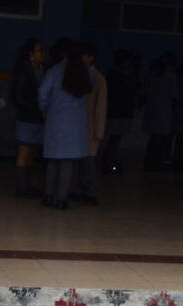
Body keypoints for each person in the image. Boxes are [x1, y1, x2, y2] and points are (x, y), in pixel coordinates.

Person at [39, 43, 92, 210]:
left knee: (53, 160)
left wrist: (45, 109)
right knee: (68, 162)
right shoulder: (85, 73)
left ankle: (48, 195)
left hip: (55, 121)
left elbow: (43, 93)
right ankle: (61, 199)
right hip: (76, 124)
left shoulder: (54, 71)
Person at [12, 39, 46, 198]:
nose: (42, 54)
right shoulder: (25, 71)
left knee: (31, 153)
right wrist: (32, 109)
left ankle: (27, 184)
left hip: (38, 117)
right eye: (39, 50)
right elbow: (18, 96)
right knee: (24, 152)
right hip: (27, 117)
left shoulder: (42, 69)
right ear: (31, 54)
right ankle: (21, 187)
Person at [77, 43, 107, 205]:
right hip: (79, 126)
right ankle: (80, 190)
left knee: (89, 161)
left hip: (90, 126)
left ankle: (90, 192)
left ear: (91, 57)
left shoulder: (98, 78)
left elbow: (101, 106)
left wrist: (99, 131)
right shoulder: (76, 74)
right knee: (80, 161)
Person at [102, 50, 140, 173]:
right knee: (114, 138)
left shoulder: (115, 74)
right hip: (118, 110)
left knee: (114, 138)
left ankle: (108, 159)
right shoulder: (119, 74)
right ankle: (108, 160)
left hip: (119, 110)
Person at [143, 53, 177, 172]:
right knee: (160, 138)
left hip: (152, 109)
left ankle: (150, 160)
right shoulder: (171, 76)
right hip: (165, 111)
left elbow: (145, 91)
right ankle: (156, 162)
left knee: (153, 138)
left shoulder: (150, 74)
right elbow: (174, 94)